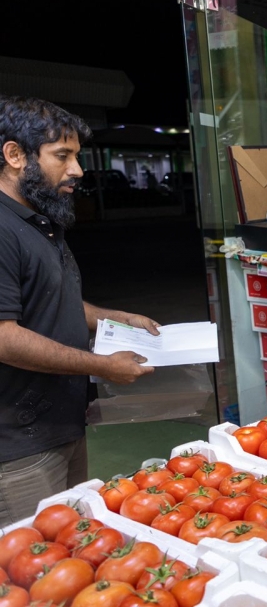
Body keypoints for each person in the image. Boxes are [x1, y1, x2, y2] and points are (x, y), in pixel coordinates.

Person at [0, 96, 159, 524]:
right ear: (14, 155)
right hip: (18, 446)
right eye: (62, 156)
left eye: (77, 156)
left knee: (76, 544)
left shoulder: (39, 220)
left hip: (62, 425)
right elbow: (4, 336)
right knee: (38, 568)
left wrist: (114, 318)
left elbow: (53, 300)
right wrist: (101, 365)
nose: (78, 170)